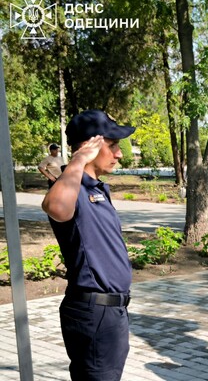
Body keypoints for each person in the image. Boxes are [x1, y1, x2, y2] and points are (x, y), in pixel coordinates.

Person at [41, 109, 135, 380]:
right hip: (95, 312)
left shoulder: (95, 189)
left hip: (110, 312)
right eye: (113, 145)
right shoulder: (71, 187)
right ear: (90, 146)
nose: (119, 154)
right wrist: (78, 161)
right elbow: (55, 206)